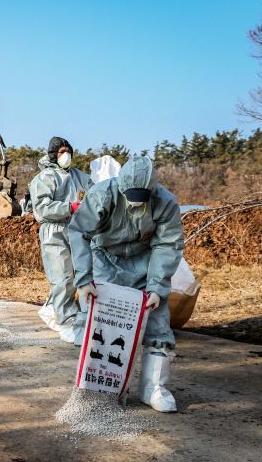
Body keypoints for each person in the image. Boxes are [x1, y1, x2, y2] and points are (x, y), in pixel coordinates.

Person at [67, 156, 184, 412]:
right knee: (103, 322)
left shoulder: (165, 202)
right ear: (121, 187)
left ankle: (154, 387)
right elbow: (78, 232)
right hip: (105, 258)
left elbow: (168, 245)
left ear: (152, 191)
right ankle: (100, 387)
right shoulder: (102, 194)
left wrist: (156, 286)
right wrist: (84, 279)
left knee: (157, 320)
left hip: (145, 262)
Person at [29, 137, 93, 344]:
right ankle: (66, 323)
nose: (65, 155)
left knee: (82, 276)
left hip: (78, 229)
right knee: (62, 277)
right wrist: (69, 207)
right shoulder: (45, 177)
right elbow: (41, 208)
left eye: (68, 151)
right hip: (54, 231)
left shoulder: (80, 176)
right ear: (52, 155)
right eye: (61, 152)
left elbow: (95, 194)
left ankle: (75, 316)